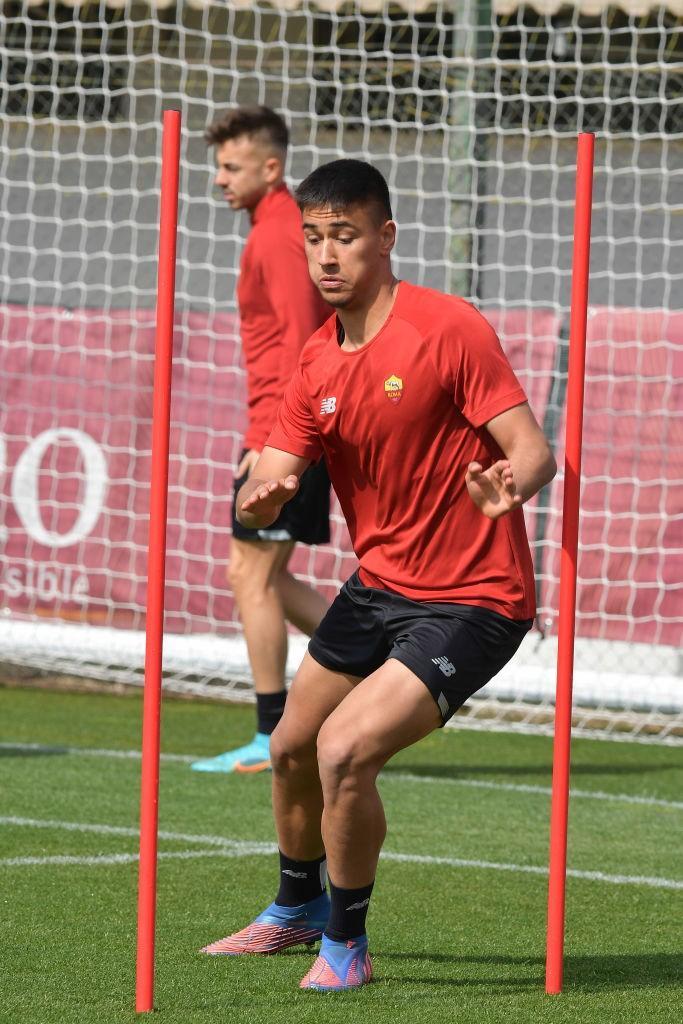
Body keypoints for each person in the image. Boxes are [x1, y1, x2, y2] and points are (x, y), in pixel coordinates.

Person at [200, 159, 557, 988]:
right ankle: (293, 910)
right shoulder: (315, 363)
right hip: (378, 587)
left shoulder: (448, 329)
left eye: (345, 238)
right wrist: (260, 502)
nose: (326, 257)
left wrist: (506, 489)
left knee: (344, 751)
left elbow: (533, 453)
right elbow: (263, 494)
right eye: (314, 241)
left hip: (474, 598)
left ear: (385, 238)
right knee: (289, 748)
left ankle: (345, 943)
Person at [191, 107, 331, 775]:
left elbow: (307, 342)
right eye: (217, 165)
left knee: (251, 573)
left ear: (270, 168)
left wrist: (273, 437)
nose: (217, 179)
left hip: (285, 433)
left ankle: (269, 733)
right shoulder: (271, 228)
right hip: (281, 428)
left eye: (229, 166)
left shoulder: (277, 234)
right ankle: (394, 657)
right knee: (262, 574)